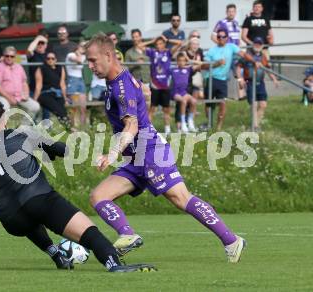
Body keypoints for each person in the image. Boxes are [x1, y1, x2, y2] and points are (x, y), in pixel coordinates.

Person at [0, 101, 156, 273]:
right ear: (3, 121)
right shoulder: (21, 134)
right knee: (89, 233)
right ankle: (113, 264)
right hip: (40, 201)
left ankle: (55, 253)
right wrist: (49, 149)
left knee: (15, 207)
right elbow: (62, 149)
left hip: (11, 220)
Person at [85, 33, 246, 263]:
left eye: (93, 60)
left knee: (181, 198)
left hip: (150, 152)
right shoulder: (120, 81)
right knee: (99, 196)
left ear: (108, 55)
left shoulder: (121, 87)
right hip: (135, 157)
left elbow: (131, 125)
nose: (90, 66)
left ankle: (232, 241)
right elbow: (146, 93)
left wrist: (112, 154)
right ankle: (128, 235)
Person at [204, 28, 254, 130]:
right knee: (209, 104)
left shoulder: (231, 47)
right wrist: (216, 64)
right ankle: (209, 124)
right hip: (211, 78)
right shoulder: (211, 51)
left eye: (223, 36)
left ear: (227, 38)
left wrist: (254, 61)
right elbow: (204, 66)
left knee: (222, 103)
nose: (221, 38)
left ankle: (218, 128)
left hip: (223, 80)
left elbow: (243, 54)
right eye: (219, 36)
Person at [138, 35, 181, 134]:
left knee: (166, 109)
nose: (158, 45)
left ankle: (167, 130)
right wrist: (151, 40)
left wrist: (168, 39)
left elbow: (179, 43)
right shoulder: (152, 52)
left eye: (160, 43)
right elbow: (140, 45)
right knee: (152, 108)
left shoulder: (168, 52)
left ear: (164, 44)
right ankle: (148, 130)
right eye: (156, 44)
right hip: (155, 85)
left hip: (165, 85)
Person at [236, 37, 279, 131]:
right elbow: (238, 68)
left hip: (261, 83)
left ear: (262, 46)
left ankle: (256, 124)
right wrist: (240, 79)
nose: (257, 45)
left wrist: (274, 79)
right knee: (254, 105)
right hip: (250, 82)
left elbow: (268, 70)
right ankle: (255, 127)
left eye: (259, 44)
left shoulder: (263, 57)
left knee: (263, 105)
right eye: (256, 43)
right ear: (253, 44)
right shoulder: (246, 55)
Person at [0, 46, 40, 121]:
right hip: (2, 96)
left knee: (35, 107)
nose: (9, 58)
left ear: (15, 57)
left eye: (12, 56)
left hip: (19, 96)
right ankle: (2, 130)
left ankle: (22, 128)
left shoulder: (19, 67)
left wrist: (26, 94)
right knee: (4, 108)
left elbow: (24, 82)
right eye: (7, 56)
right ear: (3, 56)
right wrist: (10, 98)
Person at [33, 51, 70, 128]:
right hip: (45, 94)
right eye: (48, 58)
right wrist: (35, 100)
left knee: (63, 111)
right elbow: (38, 85)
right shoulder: (41, 68)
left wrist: (65, 98)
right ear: (46, 60)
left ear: (56, 60)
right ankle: (70, 129)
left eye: (52, 58)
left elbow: (62, 84)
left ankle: (68, 129)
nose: (50, 60)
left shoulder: (60, 68)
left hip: (58, 94)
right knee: (59, 111)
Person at [169, 52, 202, 133]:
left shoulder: (188, 69)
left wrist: (188, 59)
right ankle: (183, 123)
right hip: (175, 92)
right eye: (179, 60)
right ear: (177, 61)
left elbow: (200, 63)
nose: (181, 62)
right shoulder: (173, 69)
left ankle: (190, 122)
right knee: (183, 101)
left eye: (183, 61)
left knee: (193, 101)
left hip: (184, 92)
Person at [65, 43, 87, 125]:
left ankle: (83, 129)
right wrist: (78, 52)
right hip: (72, 81)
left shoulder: (84, 56)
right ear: (78, 46)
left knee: (83, 107)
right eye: (82, 46)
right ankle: (72, 129)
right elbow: (78, 60)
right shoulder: (70, 54)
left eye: (85, 47)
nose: (84, 48)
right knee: (73, 107)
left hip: (80, 81)